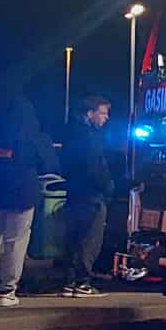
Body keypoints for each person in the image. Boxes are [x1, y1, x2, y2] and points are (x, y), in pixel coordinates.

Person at [0, 95, 56, 308]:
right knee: (15, 244)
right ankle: (7, 291)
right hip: (22, 196)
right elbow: (50, 165)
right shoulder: (35, 138)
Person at [56, 94, 114, 297]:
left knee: (73, 238)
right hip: (92, 195)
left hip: (74, 193)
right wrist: (108, 187)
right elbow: (96, 168)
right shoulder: (90, 138)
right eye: (103, 113)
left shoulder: (71, 133)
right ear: (90, 114)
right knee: (90, 240)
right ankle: (83, 282)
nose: (106, 118)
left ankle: (69, 282)